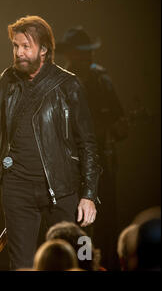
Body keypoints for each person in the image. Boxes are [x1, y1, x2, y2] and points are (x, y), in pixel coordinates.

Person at [0, 15, 102, 270]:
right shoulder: (7, 80)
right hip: (17, 187)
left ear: (44, 50)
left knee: (68, 263)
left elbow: (88, 143)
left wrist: (89, 194)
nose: (19, 52)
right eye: (15, 46)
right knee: (21, 265)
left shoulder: (68, 85)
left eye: (26, 46)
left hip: (60, 189)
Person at [57, 26, 129, 269]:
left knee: (106, 221)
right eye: (82, 52)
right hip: (70, 166)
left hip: (101, 165)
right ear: (70, 54)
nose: (87, 56)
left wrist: (114, 127)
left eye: (89, 52)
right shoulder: (60, 81)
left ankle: (105, 263)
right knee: (74, 222)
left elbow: (120, 125)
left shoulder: (102, 80)